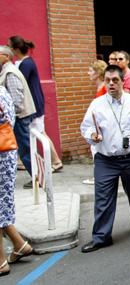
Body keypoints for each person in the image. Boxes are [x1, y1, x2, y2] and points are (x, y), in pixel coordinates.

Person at [79, 65, 130, 253]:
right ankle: (101, 236)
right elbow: (86, 127)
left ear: (122, 81)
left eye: (115, 80)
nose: (111, 84)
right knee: (102, 198)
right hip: (106, 160)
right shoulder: (96, 104)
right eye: (107, 80)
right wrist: (92, 135)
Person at [9, 36, 64, 177]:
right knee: (34, 133)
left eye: (10, 46)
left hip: (33, 105)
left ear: (15, 49)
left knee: (39, 133)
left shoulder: (26, 64)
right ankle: (24, 161)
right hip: (34, 103)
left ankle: (56, 161)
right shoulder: (24, 62)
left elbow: (20, 84)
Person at [0, 85, 35, 277]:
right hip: (7, 151)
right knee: (3, 204)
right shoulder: (3, 91)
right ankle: (20, 245)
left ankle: (0, 261)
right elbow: (10, 121)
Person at [0, 46, 36, 185]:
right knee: (25, 149)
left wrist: (8, 119)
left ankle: (38, 178)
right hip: (18, 118)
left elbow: (17, 101)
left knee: (25, 150)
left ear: (6, 56)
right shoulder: (7, 71)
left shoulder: (10, 73)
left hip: (19, 118)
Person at [82, 59, 108, 186]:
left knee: (97, 150)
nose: (88, 73)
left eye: (90, 70)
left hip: (102, 126)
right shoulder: (100, 86)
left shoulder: (104, 87)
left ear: (98, 73)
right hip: (97, 125)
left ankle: (99, 175)